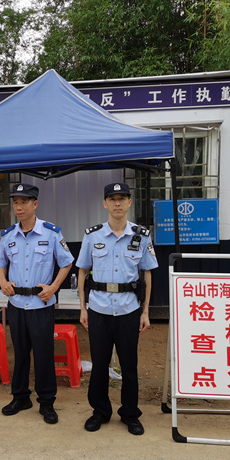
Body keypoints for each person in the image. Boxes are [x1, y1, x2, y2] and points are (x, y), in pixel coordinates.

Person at [76, 182, 157, 436]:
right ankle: (100, 411)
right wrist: (83, 308)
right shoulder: (93, 236)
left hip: (128, 309)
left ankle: (130, 413)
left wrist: (145, 311)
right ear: (105, 203)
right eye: (112, 199)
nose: (117, 203)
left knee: (129, 365)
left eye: (122, 198)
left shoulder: (141, 236)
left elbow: (147, 274)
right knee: (99, 364)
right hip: (99, 309)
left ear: (130, 202)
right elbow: (82, 272)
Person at [0, 183, 74, 424]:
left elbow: (67, 262)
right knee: (20, 353)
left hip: (41, 304)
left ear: (35, 204)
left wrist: (54, 287)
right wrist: (3, 281)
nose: (19, 207)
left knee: (43, 354)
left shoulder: (51, 233)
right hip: (17, 304)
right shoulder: (8, 236)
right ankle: (20, 397)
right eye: (16, 203)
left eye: (24, 202)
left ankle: (46, 402)